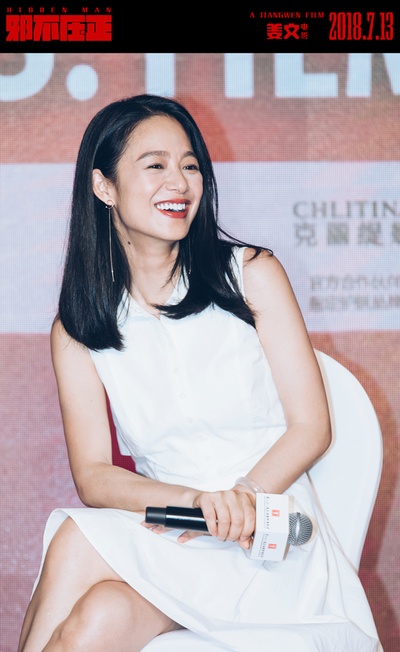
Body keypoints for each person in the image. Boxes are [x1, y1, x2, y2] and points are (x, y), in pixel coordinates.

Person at [18, 94, 380, 652]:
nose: (180, 183)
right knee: (97, 618)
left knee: (75, 542)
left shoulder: (252, 275)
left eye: (189, 166)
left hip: (266, 533)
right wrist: (190, 503)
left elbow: (312, 428)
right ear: (104, 187)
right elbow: (92, 475)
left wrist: (241, 497)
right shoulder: (78, 329)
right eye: (155, 165)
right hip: (173, 531)